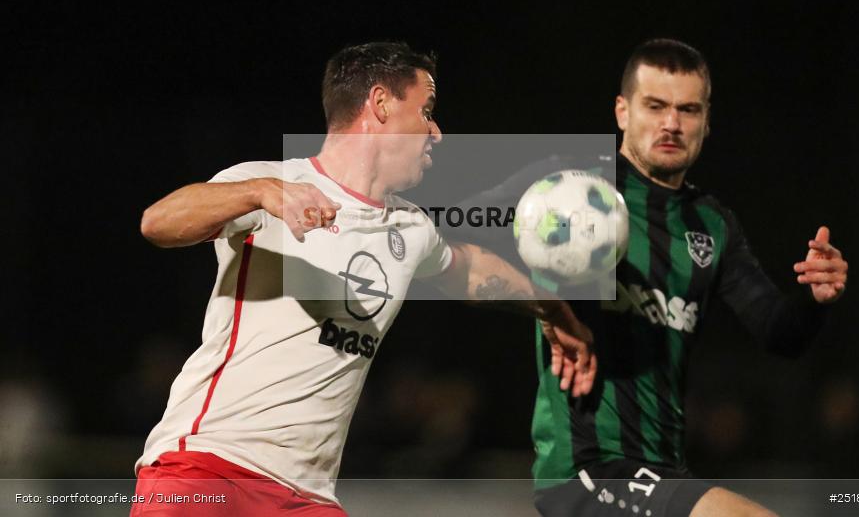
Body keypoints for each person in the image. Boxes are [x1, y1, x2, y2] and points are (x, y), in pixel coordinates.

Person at [130, 41, 596, 516]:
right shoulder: (271, 181)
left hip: (307, 497)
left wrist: (553, 310)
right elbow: (159, 222)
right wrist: (260, 193)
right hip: (209, 468)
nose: (436, 131)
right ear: (380, 104)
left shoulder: (411, 229)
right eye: (427, 111)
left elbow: (471, 269)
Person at [461, 39, 849, 516]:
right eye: (655, 106)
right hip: (588, 469)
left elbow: (780, 333)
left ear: (707, 122)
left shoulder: (712, 224)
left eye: (688, 110)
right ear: (622, 111)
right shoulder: (569, 189)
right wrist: (544, 305)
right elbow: (451, 249)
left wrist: (815, 298)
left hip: (665, 470)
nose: (672, 123)